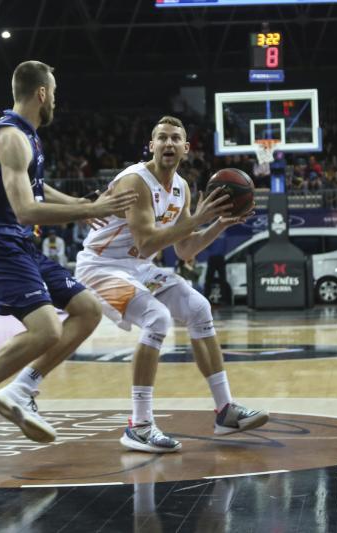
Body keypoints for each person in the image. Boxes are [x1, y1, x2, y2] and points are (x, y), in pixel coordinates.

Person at [0, 60, 138, 470]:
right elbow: (25, 209)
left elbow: (37, 189)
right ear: (41, 93)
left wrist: (77, 205)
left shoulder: (25, 138)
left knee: (88, 309)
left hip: (20, 246)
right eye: (54, 91)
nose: (56, 98)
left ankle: (23, 388)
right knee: (46, 328)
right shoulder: (11, 138)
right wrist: (91, 209)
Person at [75, 116, 269, 454]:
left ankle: (226, 411)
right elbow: (148, 243)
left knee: (198, 307)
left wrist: (221, 224)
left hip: (137, 267)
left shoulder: (182, 187)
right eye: (161, 138)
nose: (168, 143)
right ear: (151, 146)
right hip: (99, 268)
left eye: (174, 138)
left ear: (186, 148)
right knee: (157, 318)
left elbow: (185, 248)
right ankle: (139, 425)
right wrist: (199, 219)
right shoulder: (136, 181)